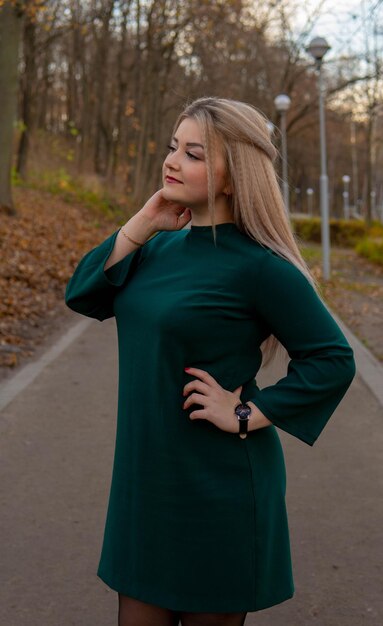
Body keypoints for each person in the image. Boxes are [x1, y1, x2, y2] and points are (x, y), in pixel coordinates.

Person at [65, 96, 356, 626]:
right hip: (146, 482)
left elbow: (332, 359)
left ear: (231, 175)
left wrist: (247, 412)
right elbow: (84, 294)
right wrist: (143, 221)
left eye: (194, 153)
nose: (172, 161)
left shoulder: (261, 266)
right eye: (174, 147)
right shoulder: (157, 248)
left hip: (218, 489)